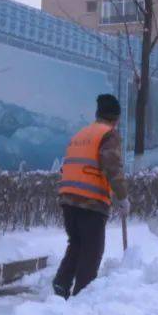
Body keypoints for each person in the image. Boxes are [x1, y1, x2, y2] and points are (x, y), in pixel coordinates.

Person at [53, 94, 129, 299]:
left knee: (76, 244)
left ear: (97, 114)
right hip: (91, 200)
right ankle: (84, 296)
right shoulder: (109, 134)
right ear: (116, 118)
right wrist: (122, 197)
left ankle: (60, 286)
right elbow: (112, 166)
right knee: (92, 250)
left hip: (68, 198)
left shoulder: (82, 133)